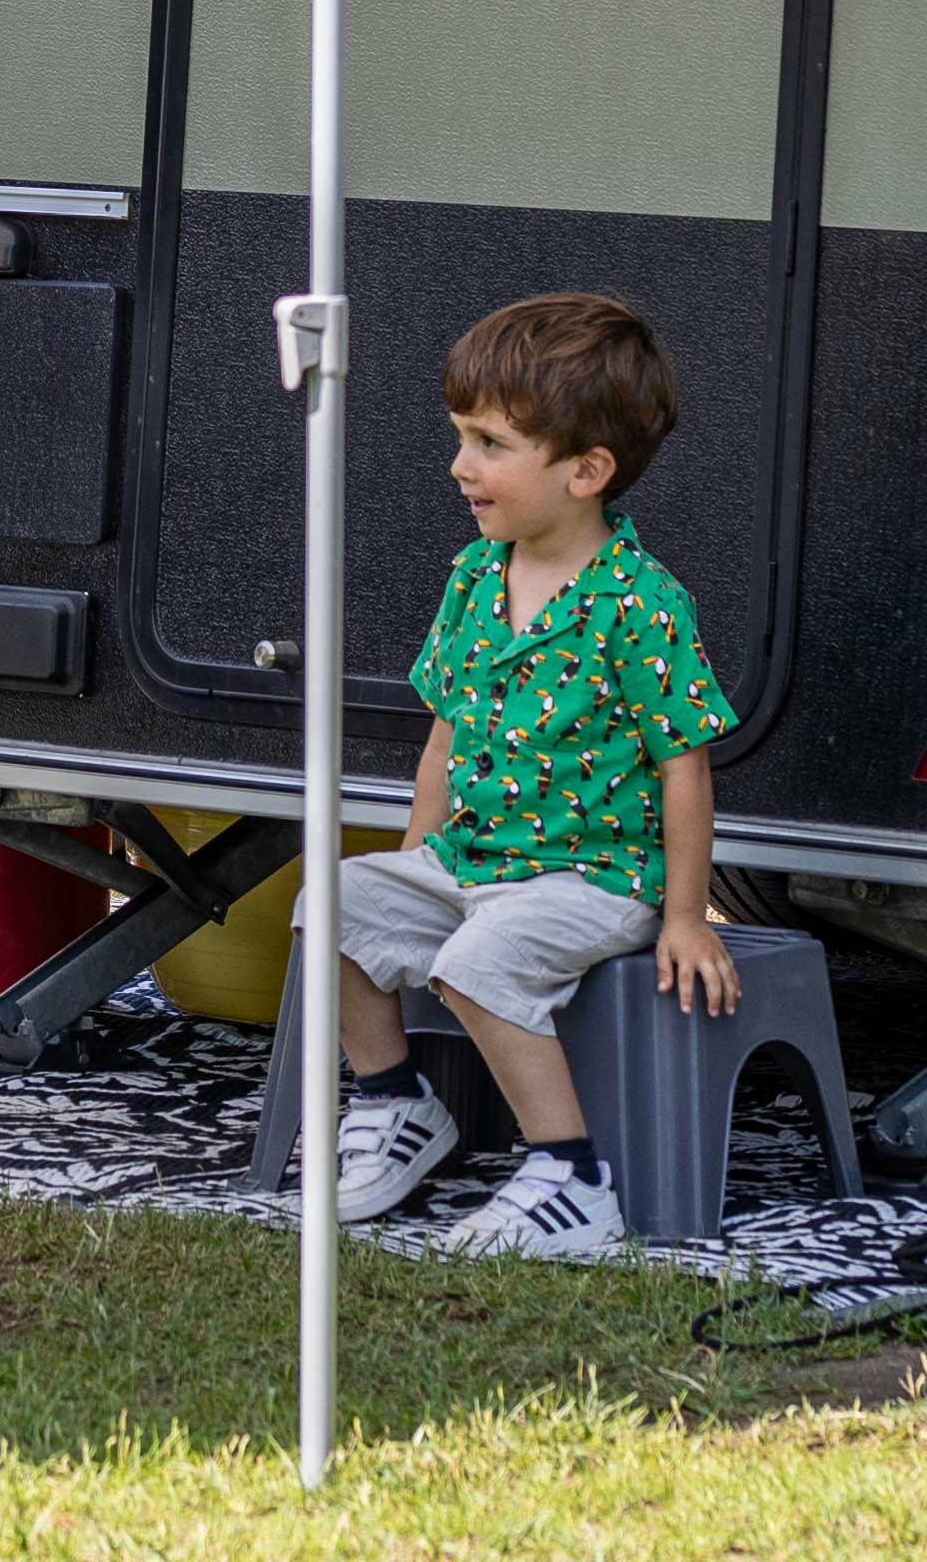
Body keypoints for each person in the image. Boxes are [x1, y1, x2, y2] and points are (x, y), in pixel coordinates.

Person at [310, 289, 740, 1259]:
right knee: (330, 903)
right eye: (463, 436)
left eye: (491, 444)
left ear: (587, 471)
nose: (461, 465)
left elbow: (685, 766)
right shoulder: (476, 573)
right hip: (473, 860)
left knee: (477, 960)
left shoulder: (638, 601)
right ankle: (395, 1102)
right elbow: (444, 737)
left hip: (593, 881)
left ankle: (571, 1175)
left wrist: (682, 915)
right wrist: (417, 863)